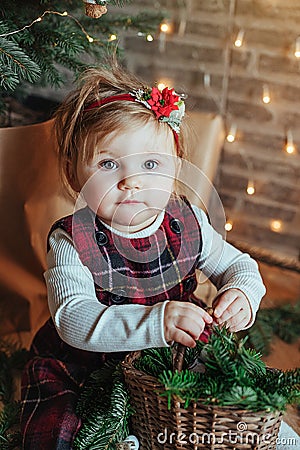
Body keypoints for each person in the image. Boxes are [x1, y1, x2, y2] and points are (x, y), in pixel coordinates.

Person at [20, 61, 266, 449]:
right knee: (64, 430)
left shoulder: (187, 221)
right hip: (88, 366)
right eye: (107, 163)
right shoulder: (72, 240)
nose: (131, 181)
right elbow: (73, 318)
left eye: (151, 164)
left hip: (174, 360)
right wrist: (157, 320)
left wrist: (242, 294)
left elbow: (239, 266)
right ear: (73, 176)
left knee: (233, 405)